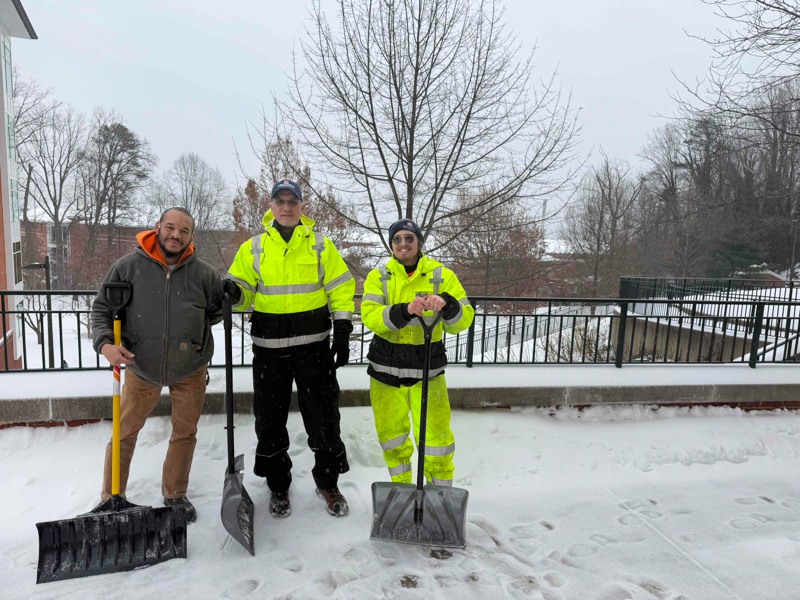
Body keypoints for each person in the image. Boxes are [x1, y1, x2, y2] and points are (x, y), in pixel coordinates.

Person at [218, 179, 355, 518]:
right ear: (271, 206)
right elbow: (243, 290)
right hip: (269, 351)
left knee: (324, 419)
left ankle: (328, 483)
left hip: (314, 349)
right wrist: (233, 292)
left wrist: (342, 327)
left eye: (292, 200)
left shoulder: (321, 246)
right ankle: (278, 484)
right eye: (280, 200)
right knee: (270, 421)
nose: (286, 207)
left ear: (301, 206)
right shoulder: (254, 248)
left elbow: (340, 287)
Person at [91, 207, 222, 523]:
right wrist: (106, 344)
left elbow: (216, 312)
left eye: (184, 230)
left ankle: (175, 494)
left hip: (189, 369)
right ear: (157, 227)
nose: (176, 234)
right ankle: (112, 497)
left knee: (185, 432)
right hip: (140, 367)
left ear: (191, 236)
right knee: (124, 432)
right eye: (170, 227)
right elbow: (101, 310)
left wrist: (193, 341)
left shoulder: (204, 274)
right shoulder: (128, 267)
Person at [360, 218, 474, 487]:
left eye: (409, 238)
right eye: (397, 239)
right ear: (391, 244)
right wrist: (403, 310)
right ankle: (401, 491)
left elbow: (463, 319)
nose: (403, 244)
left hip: (428, 374)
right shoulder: (379, 277)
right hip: (386, 375)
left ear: (419, 242)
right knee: (392, 438)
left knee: (437, 440)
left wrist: (447, 304)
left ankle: (439, 495)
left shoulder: (441, 275)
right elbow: (369, 315)